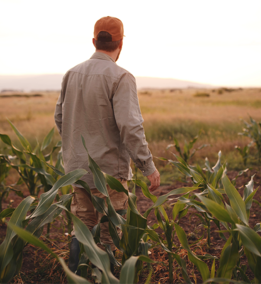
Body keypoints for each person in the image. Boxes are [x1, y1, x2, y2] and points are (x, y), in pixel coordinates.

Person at [54, 16, 160, 274]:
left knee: (82, 228)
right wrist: (148, 167)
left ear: (93, 41)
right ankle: (107, 278)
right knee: (109, 234)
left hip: (77, 170)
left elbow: (60, 117)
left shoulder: (71, 73)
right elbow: (130, 127)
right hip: (109, 175)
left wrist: (76, 150)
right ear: (121, 43)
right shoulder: (121, 77)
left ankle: (77, 277)